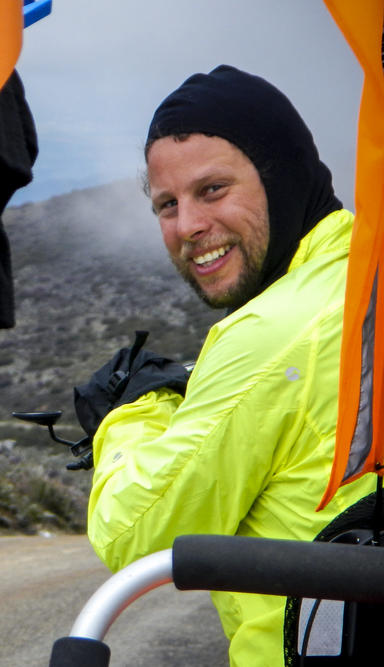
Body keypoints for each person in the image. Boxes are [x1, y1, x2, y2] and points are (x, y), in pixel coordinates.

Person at [80, 65, 377, 666]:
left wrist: (130, 413)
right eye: (167, 204)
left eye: (212, 190)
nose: (188, 226)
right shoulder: (362, 276)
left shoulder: (273, 333)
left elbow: (136, 535)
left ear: (279, 174)